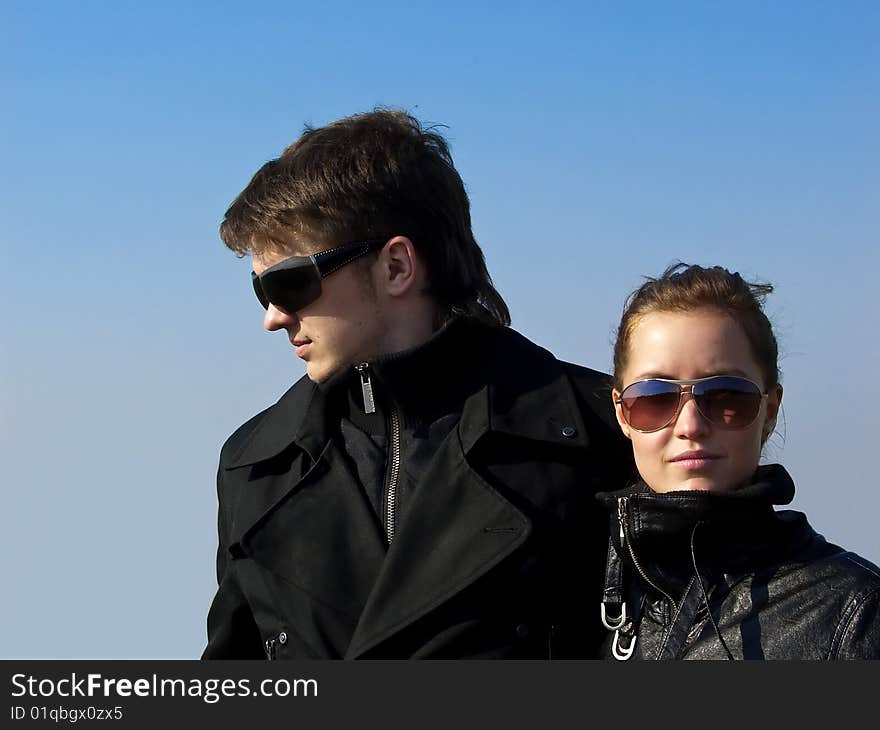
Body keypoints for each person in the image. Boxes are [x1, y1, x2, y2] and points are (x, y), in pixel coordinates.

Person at [201, 109, 633, 659]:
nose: (273, 316)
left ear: (398, 266)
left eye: (291, 283)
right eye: (262, 291)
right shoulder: (255, 466)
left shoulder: (606, 430)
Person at [597, 263, 880, 660]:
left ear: (770, 408)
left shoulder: (854, 613)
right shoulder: (565, 593)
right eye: (655, 398)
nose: (690, 425)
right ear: (622, 413)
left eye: (727, 397)